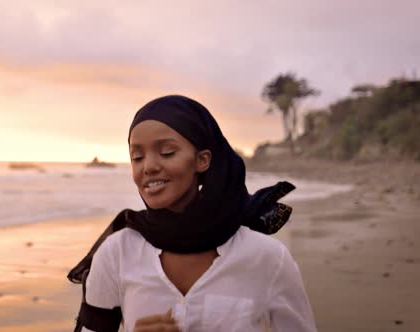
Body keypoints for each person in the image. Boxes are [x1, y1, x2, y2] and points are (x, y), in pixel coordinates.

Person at [68, 95, 316, 332]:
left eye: (167, 153)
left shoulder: (268, 258)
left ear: (202, 160)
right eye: (137, 157)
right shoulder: (116, 254)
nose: (149, 166)